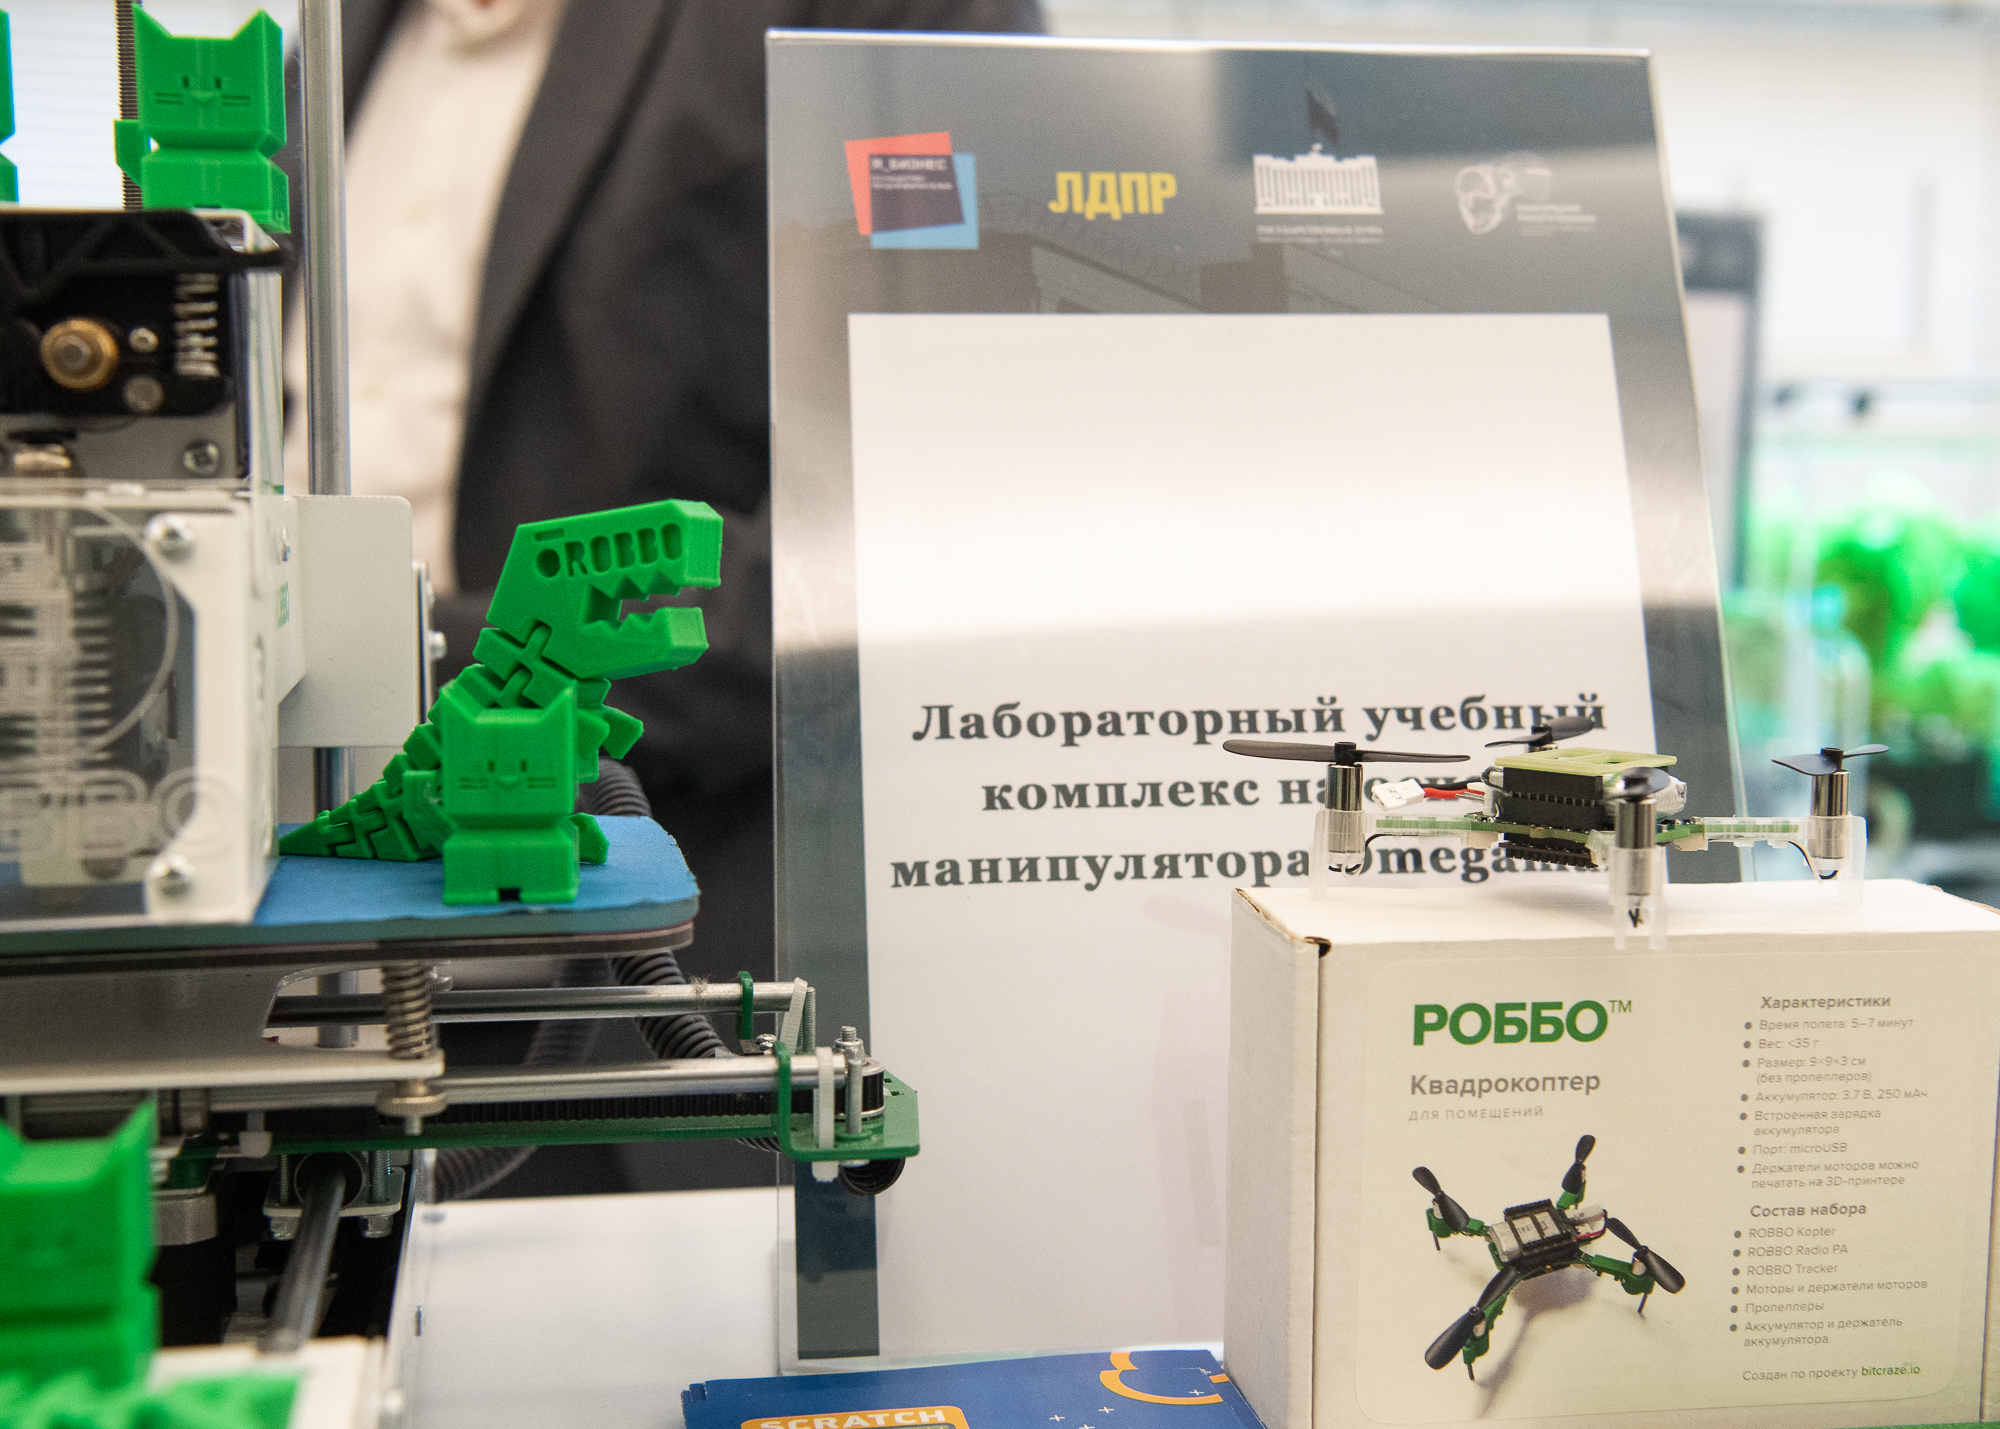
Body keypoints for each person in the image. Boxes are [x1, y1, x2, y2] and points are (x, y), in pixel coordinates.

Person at [280, 0, 1042, 998]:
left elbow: (934, 526)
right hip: (274, 899)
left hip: (658, 937)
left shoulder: (885, 18)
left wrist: (432, 667)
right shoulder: (333, 41)